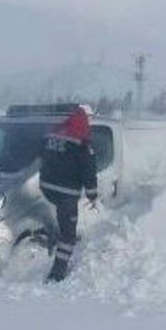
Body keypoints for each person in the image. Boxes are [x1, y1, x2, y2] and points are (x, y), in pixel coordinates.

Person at [39, 106, 98, 282]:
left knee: (61, 219)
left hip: (47, 187)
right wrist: (92, 195)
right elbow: (89, 172)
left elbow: (43, 156)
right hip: (66, 193)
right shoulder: (82, 144)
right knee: (68, 236)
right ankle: (57, 273)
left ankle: (56, 236)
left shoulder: (52, 136)